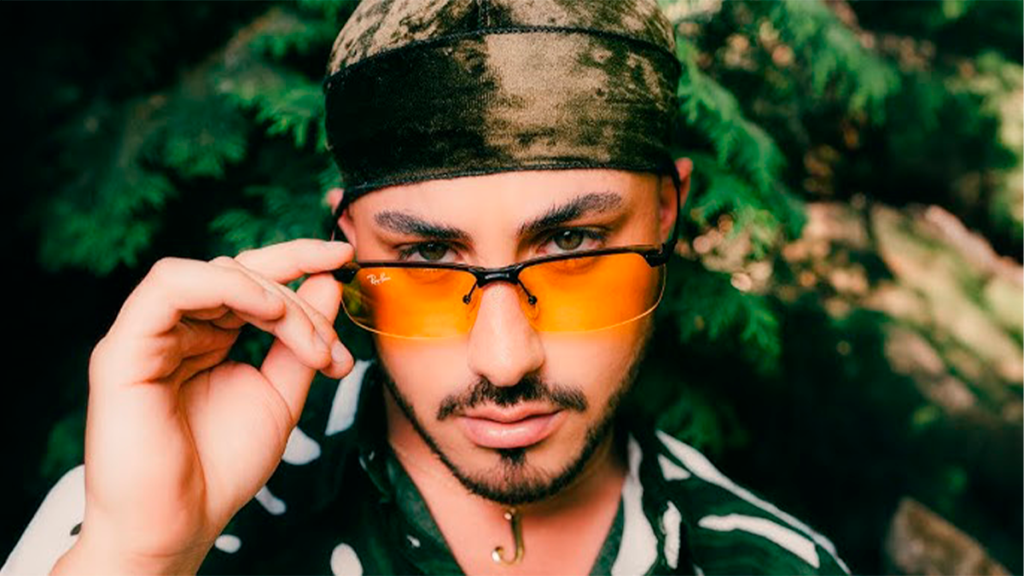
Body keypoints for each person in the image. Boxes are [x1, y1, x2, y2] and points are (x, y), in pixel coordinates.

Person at [3, 1, 850, 574]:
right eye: (426, 259)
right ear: (344, 245)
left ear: (667, 214)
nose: (505, 360)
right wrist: (140, 556)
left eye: (572, 243)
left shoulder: (776, 563)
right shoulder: (123, 521)